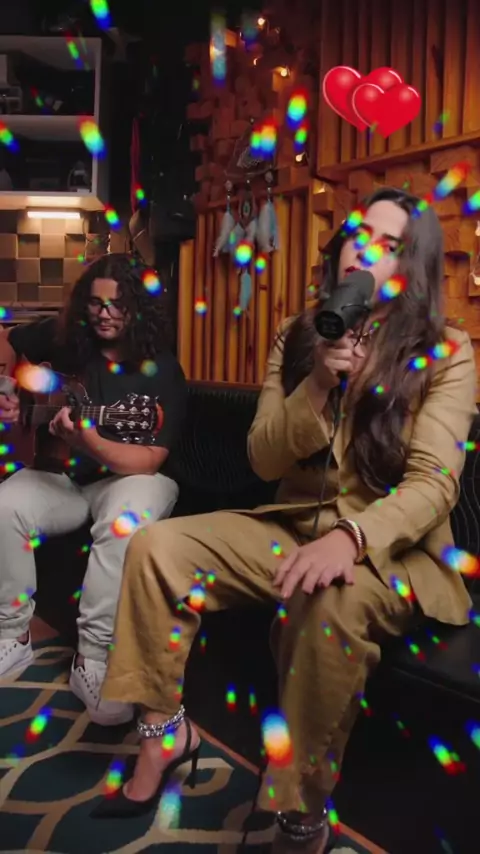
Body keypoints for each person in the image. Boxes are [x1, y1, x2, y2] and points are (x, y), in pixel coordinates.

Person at [93, 189, 477, 851]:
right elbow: (262, 455)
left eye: (389, 245)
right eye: (359, 233)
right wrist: (319, 383)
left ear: (411, 268)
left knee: (328, 602)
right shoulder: (298, 335)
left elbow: (433, 485)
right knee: (156, 547)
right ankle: (163, 736)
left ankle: (302, 812)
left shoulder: (446, 351)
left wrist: (352, 537)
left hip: (392, 552)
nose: (364, 250)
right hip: (293, 523)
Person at [0, 252, 187, 727]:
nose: (105, 313)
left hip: (130, 481)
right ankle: (11, 636)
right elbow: (8, 341)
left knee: (126, 517)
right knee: (5, 503)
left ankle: (93, 659)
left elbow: (149, 459)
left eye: (117, 304)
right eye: (96, 303)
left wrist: (88, 440)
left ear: (139, 308)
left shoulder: (162, 371)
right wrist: (9, 390)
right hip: (66, 480)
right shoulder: (66, 342)